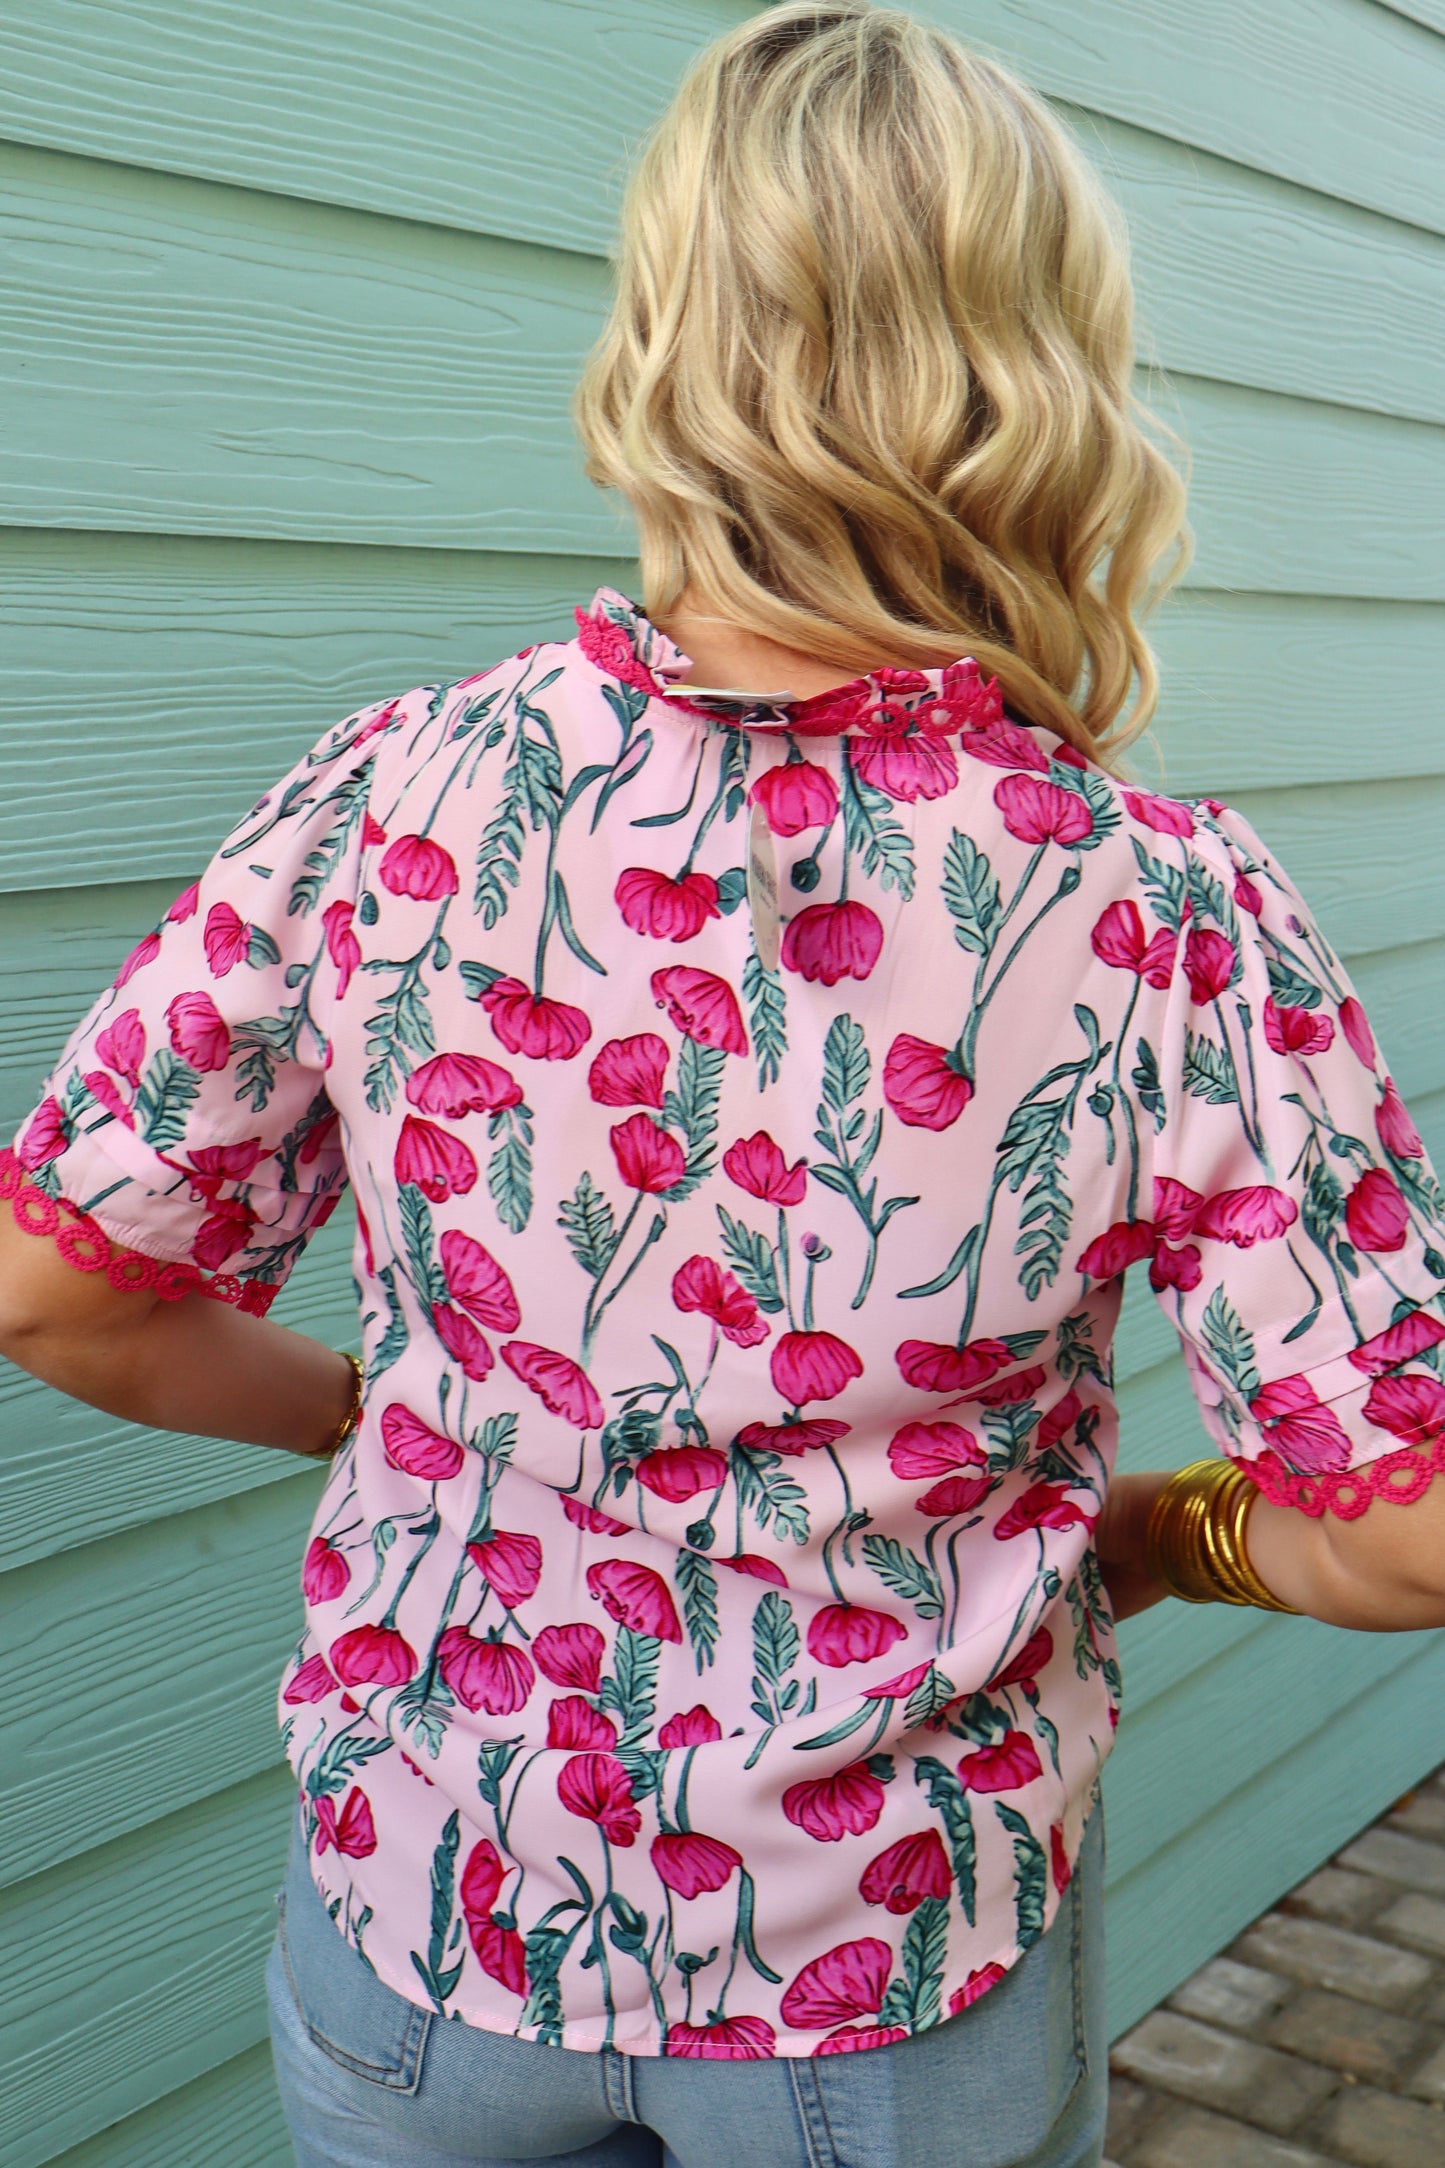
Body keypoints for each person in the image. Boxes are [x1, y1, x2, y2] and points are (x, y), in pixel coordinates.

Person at [3, 4, 1443, 2163]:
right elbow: (1409, 1524)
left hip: (427, 1924)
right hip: (887, 1987)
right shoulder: (1150, 908)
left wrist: (375, 1414)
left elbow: (60, 1290)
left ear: (671, 335)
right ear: (1044, 375)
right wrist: (1156, 1532)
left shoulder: (399, 799)